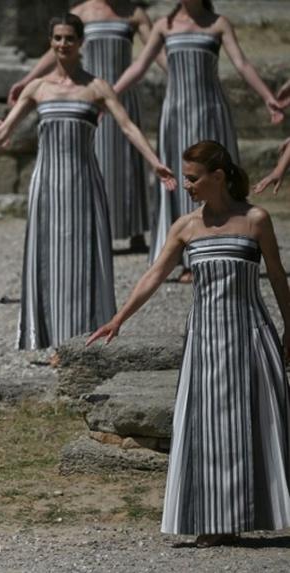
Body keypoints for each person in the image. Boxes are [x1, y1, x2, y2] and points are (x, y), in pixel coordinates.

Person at [88, 140, 290, 547]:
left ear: (218, 177)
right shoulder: (185, 226)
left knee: (256, 427)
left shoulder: (255, 220)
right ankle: (213, 521)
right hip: (204, 342)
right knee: (206, 430)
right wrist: (119, 318)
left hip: (250, 337)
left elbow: (279, 276)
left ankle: (254, 515)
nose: (187, 184)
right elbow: (153, 276)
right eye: (185, 176)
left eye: (194, 178)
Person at [0, 13, 175, 350]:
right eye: (57, 39)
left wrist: (154, 163)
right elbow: (3, 132)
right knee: (49, 257)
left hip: (84, 183)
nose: (63, 44)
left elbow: (127, 127)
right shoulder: (37, 88)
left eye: (69, 38)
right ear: (50, 43)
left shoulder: (97, 87)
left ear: (81, 43)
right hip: (47, 185)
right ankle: (51, 338)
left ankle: (83, 338)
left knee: (85, 258)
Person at [113, 0, 284, 283]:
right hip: (176, 114)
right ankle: (187, 256)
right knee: (185, 182)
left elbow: (241, 63)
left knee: (216, 180)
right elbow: (140, 66)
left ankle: (232, 244)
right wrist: (109, 96)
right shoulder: (163, 26)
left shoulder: (218, 23)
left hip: (211, 111)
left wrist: (268, 98)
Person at [8, 0, 165, 253]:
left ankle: (137, 231)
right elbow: (55, 51)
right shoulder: (80, 13)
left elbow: (155, 49)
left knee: (129, 161)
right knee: (99, 161)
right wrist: (27, 79)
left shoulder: (134, 13)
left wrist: (174, 70)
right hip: (87, 96)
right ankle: (100, 230)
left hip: (122, 95)